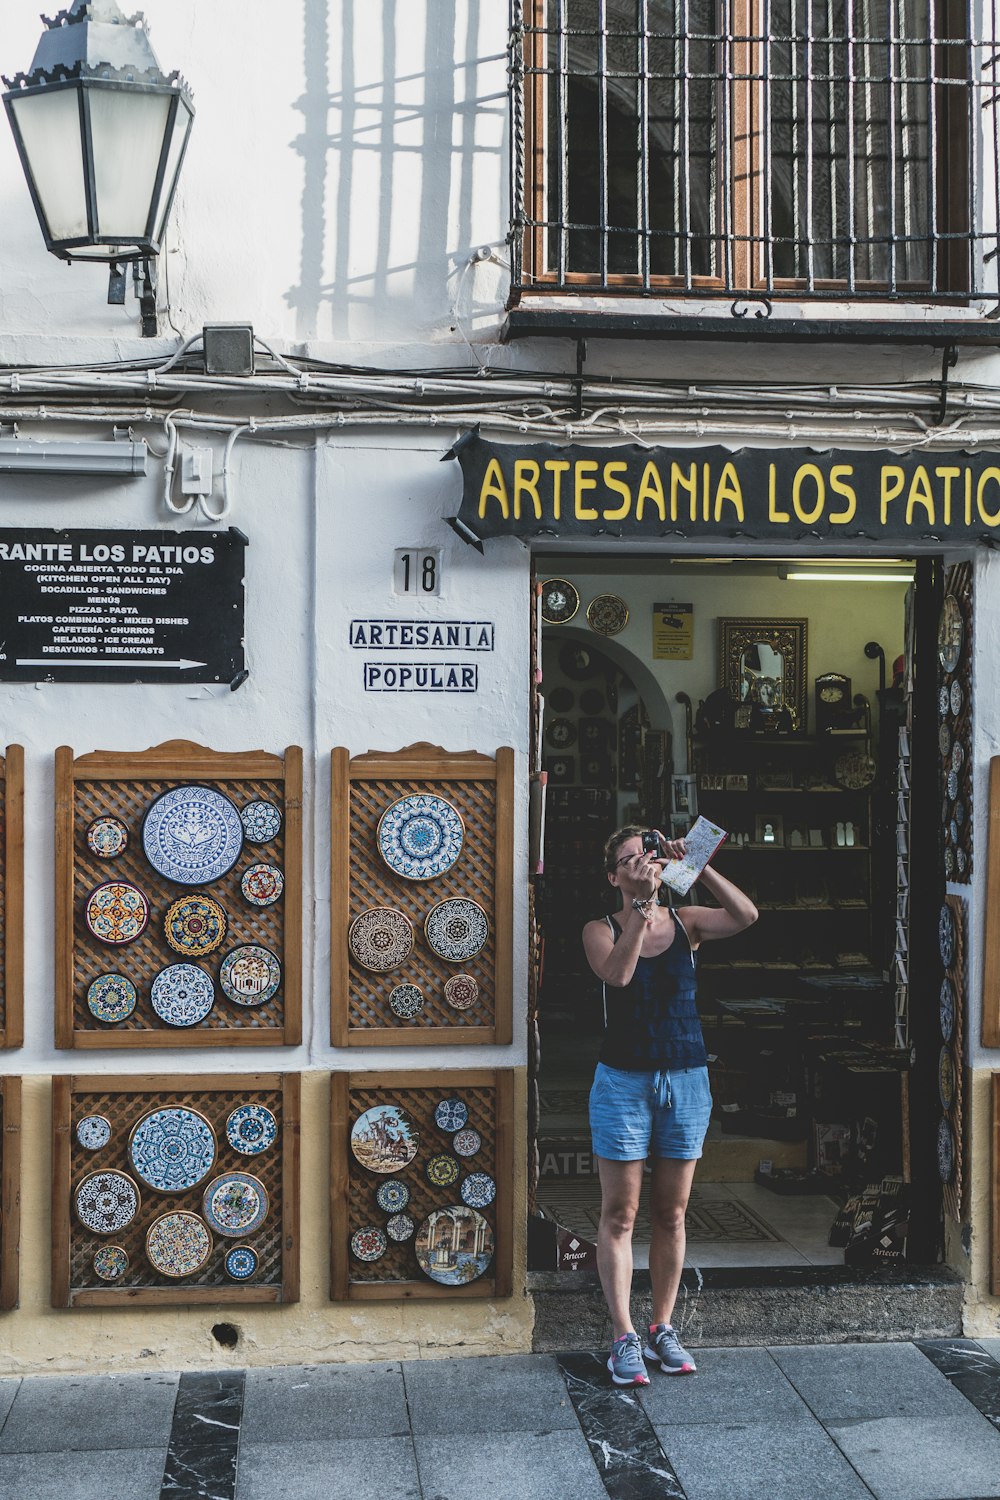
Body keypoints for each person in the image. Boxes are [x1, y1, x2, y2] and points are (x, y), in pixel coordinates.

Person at [581, 825, 758, 1386]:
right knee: (620, 1215)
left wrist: (696, 863)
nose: (642, 864)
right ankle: (622, 1336)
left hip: (685, 1079)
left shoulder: (688, 923)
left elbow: (746, 915)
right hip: (623, 1085)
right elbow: (620, 974)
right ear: (613, 876)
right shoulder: (600, 929)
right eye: (629, 860)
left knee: (673, 1213)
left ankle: (662, 1326)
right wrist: (641, 906)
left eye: (649, 856)